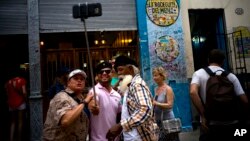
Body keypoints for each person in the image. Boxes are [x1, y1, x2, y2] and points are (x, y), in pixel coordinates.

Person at [190, 49, 249, 141]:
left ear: (208, 60)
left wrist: (203, 115)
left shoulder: (198, 74)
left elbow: (193, 92)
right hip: (232, 122)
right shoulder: (231, 76)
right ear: (222, 61)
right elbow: (245, 100)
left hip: (210, 123)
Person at [106, 55, 157, 141]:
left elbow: (145, 110)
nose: (118, 73)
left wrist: (120, 126)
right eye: (117, 71)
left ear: (130, 69)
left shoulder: (137, 84)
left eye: (121, 70)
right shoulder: (129, 85)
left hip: (139, 137)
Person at [43, 69, 93, 141]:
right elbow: (66, 121)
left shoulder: (80, 98)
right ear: (68, 82)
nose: (79, 81)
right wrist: (84, 102)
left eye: (82, 79)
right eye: (75, 78)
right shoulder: (61, 96)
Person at [88, 61, 122, 141]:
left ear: (112, 74)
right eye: (101, 72)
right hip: (97, 139)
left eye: (107, 71)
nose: (104, 73)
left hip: (115, 139)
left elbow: (120, 116)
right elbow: (92, 102)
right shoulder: (94, 91)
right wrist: (93, 107)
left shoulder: (117, 95)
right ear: (97, 75)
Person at [152, 66, 179, 141]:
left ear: (162, 76)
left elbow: (170, 105)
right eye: (153, 75)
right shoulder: (156, 89)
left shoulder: (168, 89)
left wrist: (156, 103)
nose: (154, 77)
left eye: (156, 75)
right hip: (159, 121)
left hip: (168, 120)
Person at [5, 68, 28, 141]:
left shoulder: (8, 82)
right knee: (20, 122)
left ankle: (11, 138)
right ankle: (19, 138)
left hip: (11, 104)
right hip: (20, 103)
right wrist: (26, 99)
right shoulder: (22, 80)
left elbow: (7, 93)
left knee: (13, 122)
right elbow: (24, 92)